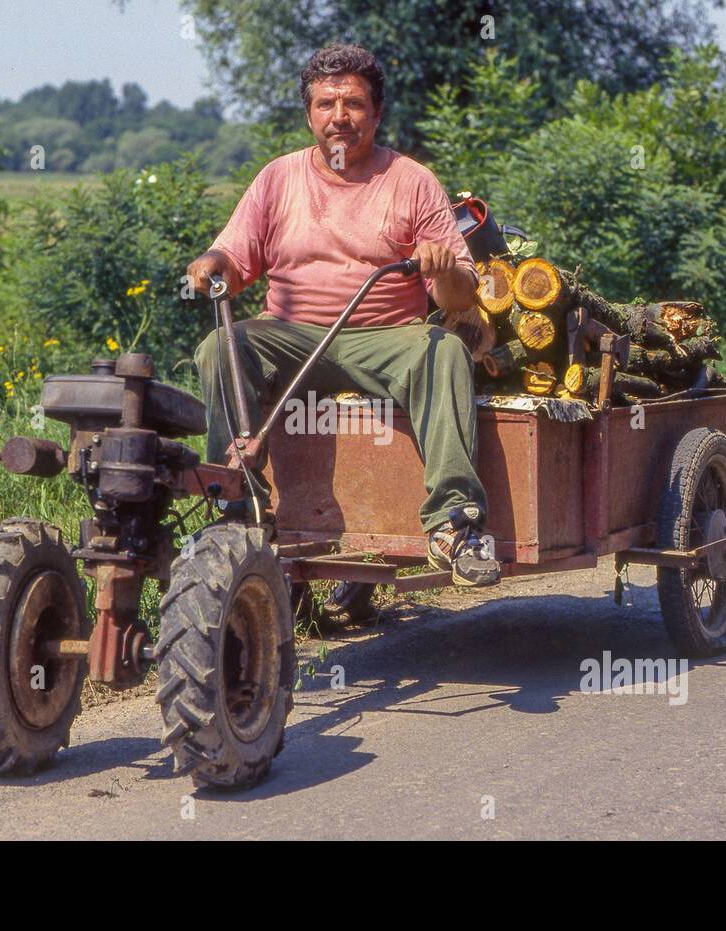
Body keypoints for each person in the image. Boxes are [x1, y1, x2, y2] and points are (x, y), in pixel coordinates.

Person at [186, 43, 500, 587]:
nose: (339, 117)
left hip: (385, 338)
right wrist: (211, 262)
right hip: (291, 335)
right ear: (309, 114)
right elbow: (234, 262)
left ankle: (455, 525)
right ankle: (238, 508)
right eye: (325, 104)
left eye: (353, 104)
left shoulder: (413, 181)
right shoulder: (277, 179)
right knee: (223, 344)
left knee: (443, 349)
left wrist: (444, 267)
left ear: (376, 114)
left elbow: (458, 300)